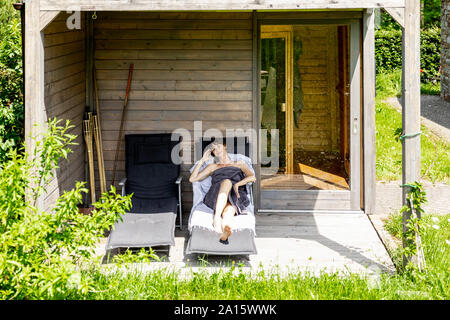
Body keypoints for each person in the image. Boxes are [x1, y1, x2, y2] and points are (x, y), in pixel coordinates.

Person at [189, 141, 256, 244]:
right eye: (214, 149)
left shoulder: (239, 163)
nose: (217, 149)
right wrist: (202, 161)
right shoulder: (212, 167)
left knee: (229, 210)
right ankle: (216, 218)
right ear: (213, 153)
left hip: (235, 194)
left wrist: (238, 184)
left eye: (219, 146)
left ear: (225, 147)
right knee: (227, 181)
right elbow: (192, 179)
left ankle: (225, 230)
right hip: (216, 193)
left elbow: (252, 177)